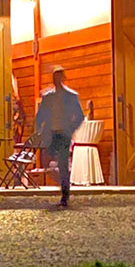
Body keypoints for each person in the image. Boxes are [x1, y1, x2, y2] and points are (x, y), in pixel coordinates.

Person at [34, 66, 85, 208]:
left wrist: (71, 128)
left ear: (63, 78)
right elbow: (41, 115)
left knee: (62, 163)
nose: (56, 80)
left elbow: (80, 115)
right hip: (50, 133)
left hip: (63, 133)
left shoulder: (71, 96)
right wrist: (39, 129)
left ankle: (64, 194)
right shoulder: (48, 96)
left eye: (58, 77)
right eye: (54, 77)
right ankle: (62, 184)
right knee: (48, 162)